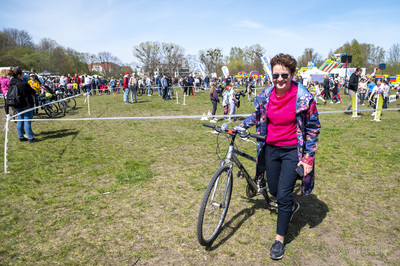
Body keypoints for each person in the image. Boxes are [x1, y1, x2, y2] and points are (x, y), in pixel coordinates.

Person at [236, 53, 320, 260]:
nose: (279, 79)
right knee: (273, 190)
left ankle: (279, 239)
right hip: (270, 149)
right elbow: (257, 115)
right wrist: (239, 126)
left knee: (283, 195)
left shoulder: (304, 97)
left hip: (293, 150)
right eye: (276, 75)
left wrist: (308, 158)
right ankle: (290, 206)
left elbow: (313, 128)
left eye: (284, 75)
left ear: (292, 74)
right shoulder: (267, 94)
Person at [5, 68, 39, 143]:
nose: (23, 76)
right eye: (22, 75)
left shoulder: (11, 83)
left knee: (20, 119)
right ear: (19, 75)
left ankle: (21, 136)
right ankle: (30, 138)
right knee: (27, 120)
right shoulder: (23, 83)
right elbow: (33, 92)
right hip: (26, 105)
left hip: (17, 104)